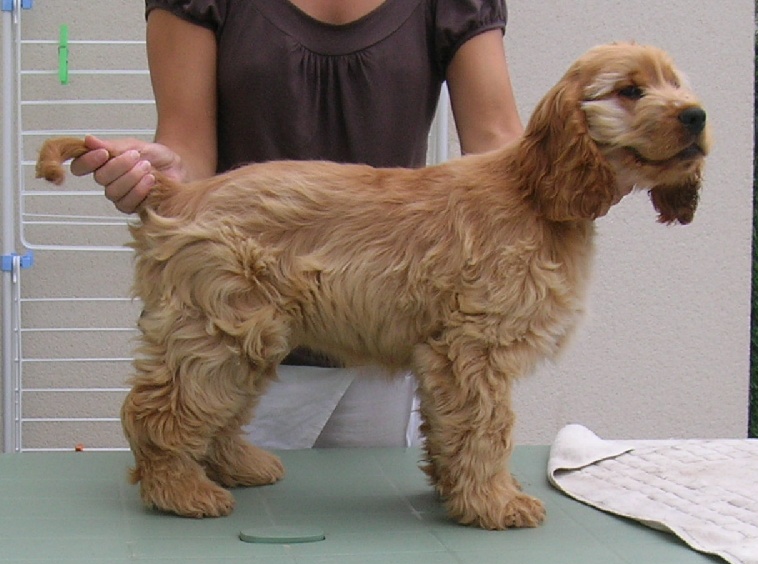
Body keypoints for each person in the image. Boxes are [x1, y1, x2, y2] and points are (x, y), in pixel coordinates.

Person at [71, 0, 523, 449]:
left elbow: (498, 148)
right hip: (238, 324)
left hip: (382, 339)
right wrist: (166, 178)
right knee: (196, 457)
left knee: (374, 492)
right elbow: (187, 148)